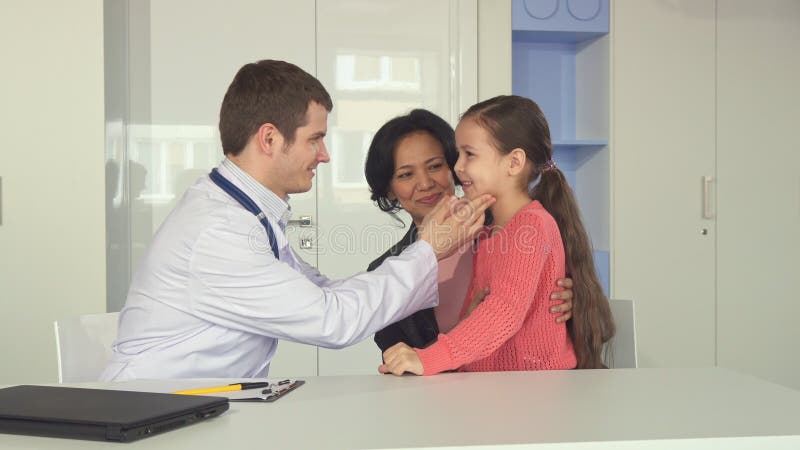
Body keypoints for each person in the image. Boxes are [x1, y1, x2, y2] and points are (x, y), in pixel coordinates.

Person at [100, 60, 493, 381]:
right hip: (155, 418)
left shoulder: (246, 216)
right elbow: (332, 320)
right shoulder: (220, 232)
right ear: (269, 139)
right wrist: (429, 249)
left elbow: (326, 293)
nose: (324, 155)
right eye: (315, 139)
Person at [379, 96, 616, 376]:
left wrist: (428, 359)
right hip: (493, 388)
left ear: (514, 162)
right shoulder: (490, 235)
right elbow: (484, 311)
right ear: (389, 189)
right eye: (406, 174)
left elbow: (502, 311)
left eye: (469, 154)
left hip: (531, 392)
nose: (457, 168)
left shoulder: (530, 226)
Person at [364, 109, 575, 354]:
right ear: (389, 189)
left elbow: (573, 322)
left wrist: (568, 303)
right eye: (406, 174)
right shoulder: (384, 273)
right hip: (445, 392)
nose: (424, 183)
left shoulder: (513, 226)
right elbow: (400, 363)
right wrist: (466, 329)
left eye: (435, 166)